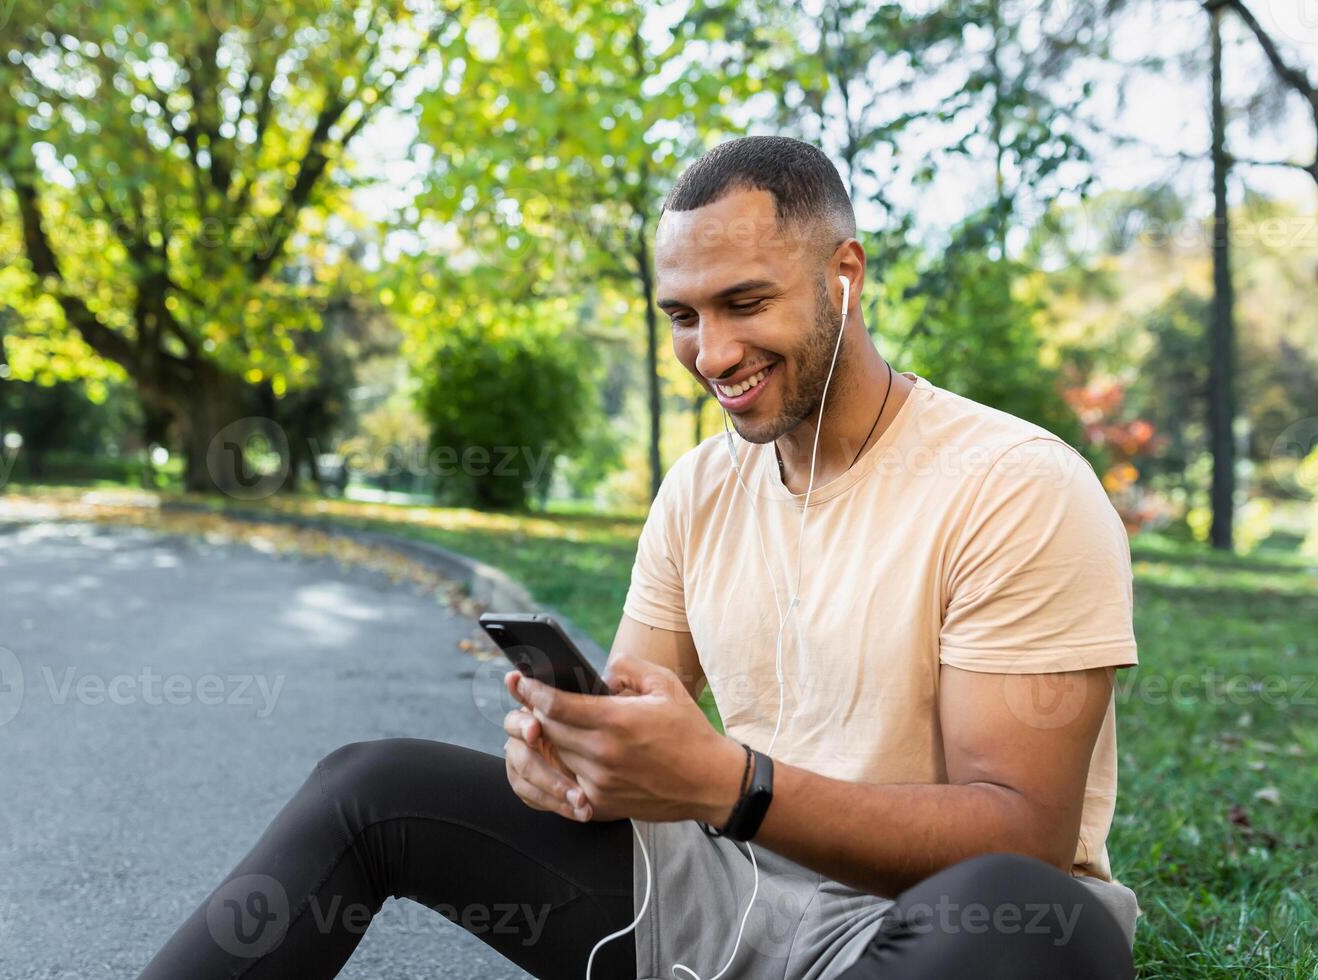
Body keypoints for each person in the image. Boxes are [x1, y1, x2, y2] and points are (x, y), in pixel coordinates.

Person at [139, 135, 1139, 980]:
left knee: (1016, 904)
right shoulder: (700, 488)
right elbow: (636, 719)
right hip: (724, 899)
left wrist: (733, 785)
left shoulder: (1014, 483)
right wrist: (577, 758)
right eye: (682, 314)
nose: (710, 353)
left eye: (745, 302)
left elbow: (1025, 831)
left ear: (847, 273)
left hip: (929, 929)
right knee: (371, 783)